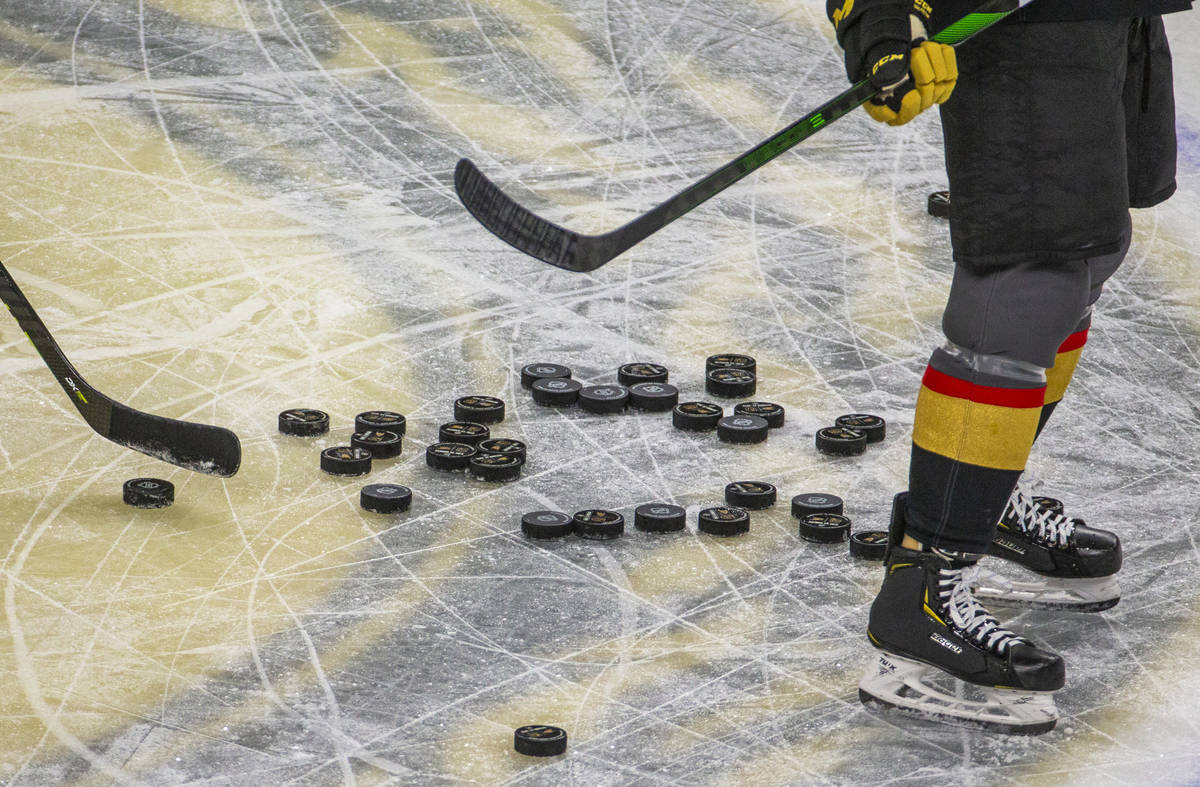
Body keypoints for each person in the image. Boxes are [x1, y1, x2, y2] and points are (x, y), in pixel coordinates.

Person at [824, 0, 1192, 733]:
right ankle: (924, 588)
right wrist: (878, 16)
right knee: (1034, 267)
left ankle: (982, 499)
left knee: (1090, 245)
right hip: (1016, 25)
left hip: (1106, 16)